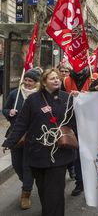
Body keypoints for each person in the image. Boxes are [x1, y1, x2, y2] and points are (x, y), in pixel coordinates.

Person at [2, 68, 77, 216]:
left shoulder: (68, 98)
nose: (56, 80)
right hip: (37, 153)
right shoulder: (32, 100)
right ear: (43, 82)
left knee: (54, 193)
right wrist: (9, 142)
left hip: (59, 153)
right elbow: (22, 124)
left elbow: (76, 123)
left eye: (57, 78)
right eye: (52, 78)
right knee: (44, 192)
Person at [2, 69, 40, 210]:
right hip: (16, 135)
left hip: (32, 136)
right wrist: (9, 112)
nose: (27, 83)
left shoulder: (38, 96)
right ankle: (28, 182)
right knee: (17, 164)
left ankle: (26, 194)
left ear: (36, 83)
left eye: (31, 81)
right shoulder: (15, 94)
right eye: (26, 80)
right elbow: (5, 109)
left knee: (27, 165)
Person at [62, 67, 98, 196]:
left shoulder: (96, 78)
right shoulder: (66, 80)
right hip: (73, 122)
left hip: (91, 123)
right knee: (77, 155)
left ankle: (93, 181)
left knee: (91, 154)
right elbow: (61, 99)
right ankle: (80, 183)